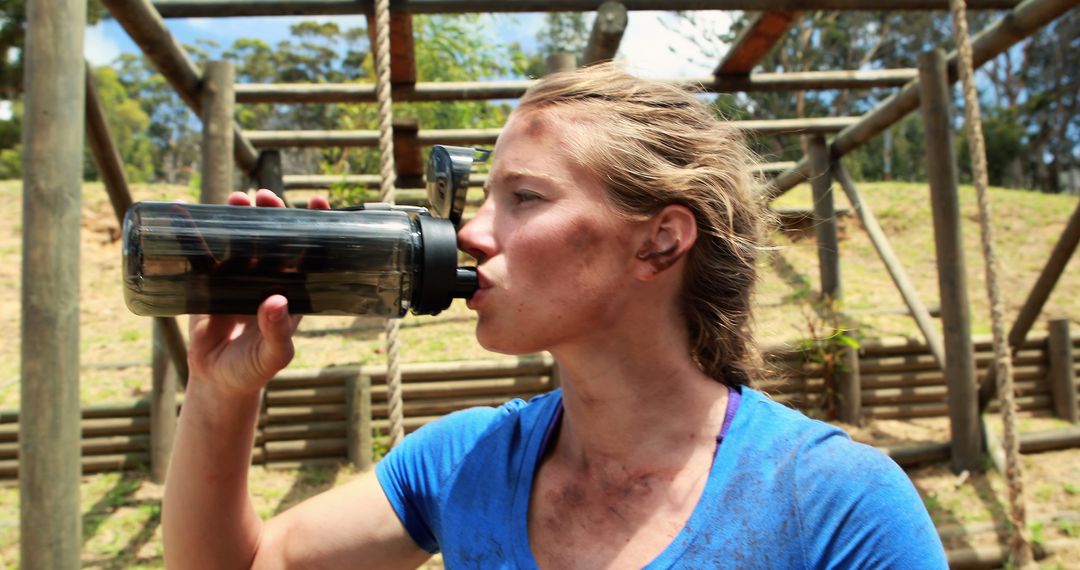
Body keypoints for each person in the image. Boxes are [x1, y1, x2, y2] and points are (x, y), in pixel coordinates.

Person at [163, 62, 947, 569]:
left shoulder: (836, 505)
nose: (470, 231)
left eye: (524, 198)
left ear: (661, 241)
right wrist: (221, 391)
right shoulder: (467, 461)